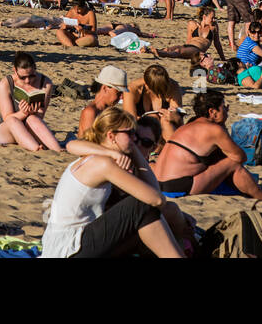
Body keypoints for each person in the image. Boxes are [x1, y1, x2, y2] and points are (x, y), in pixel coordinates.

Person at [41, 107, 185, 258]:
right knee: (141, 204)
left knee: (147, 213)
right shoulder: (103, 164)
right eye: (130, 134)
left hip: (68, 244)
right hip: (69, 248)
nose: (135, 139)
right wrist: (132, 150)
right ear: (111, 136)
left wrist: (130, 148)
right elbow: (157, 199)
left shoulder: (94, 157)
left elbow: (156, 198)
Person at [151, 91, 262, 202]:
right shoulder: (214, 130)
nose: (227, 110)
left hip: (159, 185)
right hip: (179, 187)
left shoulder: (189, 125)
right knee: (231, 163)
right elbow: (240, 157)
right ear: (212, 112)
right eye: (223, 107)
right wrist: (222, 126)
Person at [0, 52, 63, 151]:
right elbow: (7, 118)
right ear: (15, 70)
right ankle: (36, 149)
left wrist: (32, 113)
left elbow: (40, 116)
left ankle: (58, 149)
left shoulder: (45, 83)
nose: (27, 81)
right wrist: (23, 113)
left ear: (35, 68)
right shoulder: (6, 83)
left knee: (33, 119)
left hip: (30, 128)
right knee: (13, 121)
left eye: (31, 76)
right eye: (22, 77)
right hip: (8, 130)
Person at [125, 64, 184, 140]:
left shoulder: (172, 87)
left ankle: (172, 149)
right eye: (157, 91)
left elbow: (180, 123)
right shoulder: (133, 89)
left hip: (165, 131)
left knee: (166, 120)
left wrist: (175, 117)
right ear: (147, 85)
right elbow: (130, 122)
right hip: (143, 132)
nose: (160, 95)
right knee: (152, 118)